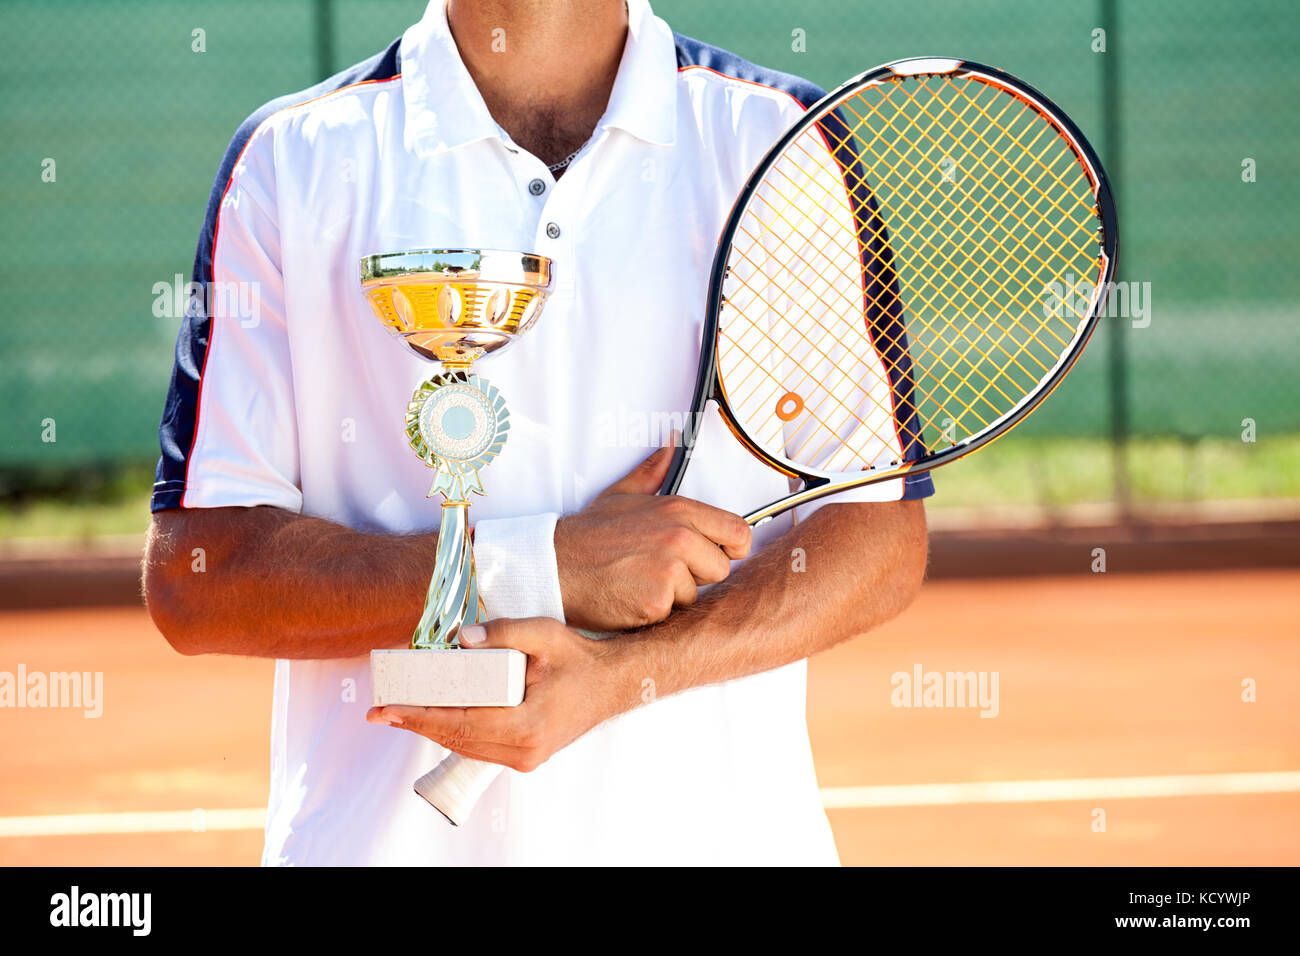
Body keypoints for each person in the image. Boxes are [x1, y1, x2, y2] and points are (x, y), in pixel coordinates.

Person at [144, 0, 931, 866]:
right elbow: (198, 578)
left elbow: (879, 531)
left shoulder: (778, 141)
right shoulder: (290, 161)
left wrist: (625, 677)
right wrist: (537, 565)